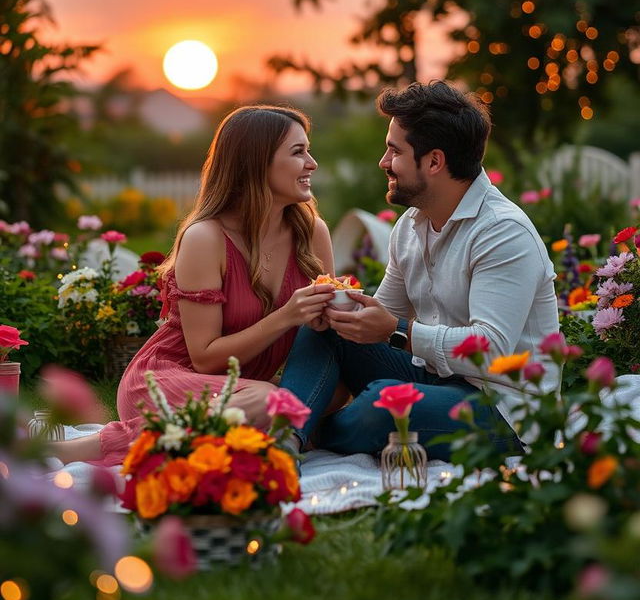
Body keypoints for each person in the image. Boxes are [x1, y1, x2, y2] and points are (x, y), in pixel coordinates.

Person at [279, 81, 560, 460]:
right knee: (327, 328)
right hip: (436, 378)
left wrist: (397, 331)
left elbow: (490, 348)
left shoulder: (502, 232)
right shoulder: (412, 225)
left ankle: (307, 436)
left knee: (383, 406)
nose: (383, 162)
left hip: (507, 408)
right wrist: (341, 312)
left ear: (434, 161)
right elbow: (380, 319)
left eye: (394, 151)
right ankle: (283, 438)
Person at [51, 105, 335, 465]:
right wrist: (287, 316)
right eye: (298, 152)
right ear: (255, 162)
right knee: (272, 404)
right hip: (169, 379)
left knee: (303, 403)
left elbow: (317, 340)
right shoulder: (207, 237)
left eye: (308, 151)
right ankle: (71, 452)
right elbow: (205, 357)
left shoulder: (312, 234)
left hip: (242, 388)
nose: (312, 163)